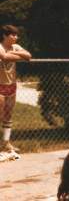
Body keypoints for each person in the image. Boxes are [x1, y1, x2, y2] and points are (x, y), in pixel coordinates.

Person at [0, 24, 32, 157]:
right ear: (4, 36)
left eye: (17, 34)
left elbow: (29, 56)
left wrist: (14, 52)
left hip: (11, 85)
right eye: (13, 35)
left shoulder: (15, 47)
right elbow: (4, 57)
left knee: (8, 115)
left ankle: (6, 143)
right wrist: (18, 56)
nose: (16, 37)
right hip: (0, 85)